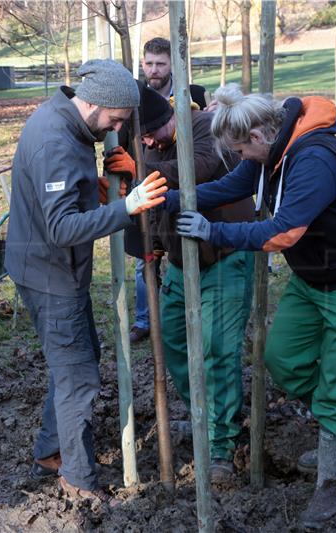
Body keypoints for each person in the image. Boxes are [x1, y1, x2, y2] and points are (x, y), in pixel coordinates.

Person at [171, 83, 336, 528]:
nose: (241, 157)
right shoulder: (270, 155)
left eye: (240, 148)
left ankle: (334, 484)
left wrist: (211, 232)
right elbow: (230, 184)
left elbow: (283, 232)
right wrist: (169, 199)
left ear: (258, 137)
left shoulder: (314, 158)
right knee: (283, 358)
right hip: (316, 278)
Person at [5, 59, 167, 506]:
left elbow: (58, 198)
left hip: (47, 267)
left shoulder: (65, 121)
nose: (117, 128)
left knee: (78, 360)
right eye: (115, 119)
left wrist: (89, 190)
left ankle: (51, 451)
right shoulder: (57, 140)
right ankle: (78, 478)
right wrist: (126, 208)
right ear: (92, 102)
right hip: (50, 273)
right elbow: (60, 229)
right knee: (79, 378)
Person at [108, 84, 255, 483]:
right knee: (171, 338)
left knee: (217, 350)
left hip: (223, 257)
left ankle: (222, 443)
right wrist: (151, 251)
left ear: (172, 117)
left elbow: (198, 167)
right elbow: (152, 204)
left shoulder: (207, 127)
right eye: (142, 138)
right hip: (177, 262)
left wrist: (142, 169)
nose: (149, 142)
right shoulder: (150, 145)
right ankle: (203, 415)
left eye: (152, 133)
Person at [125, 37, 208, 344]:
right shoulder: (132, 99)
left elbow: (201, 158)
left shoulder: (193, 95)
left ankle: (189, 316)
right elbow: (127, 146)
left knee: (184, 255)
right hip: (145, 189)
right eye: (149, 63)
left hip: (180, 195)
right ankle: (146, 319)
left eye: (161, 63)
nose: (154, 70)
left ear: (172, 65)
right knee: (143, 259)